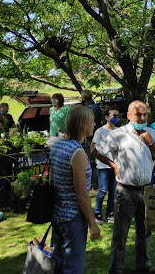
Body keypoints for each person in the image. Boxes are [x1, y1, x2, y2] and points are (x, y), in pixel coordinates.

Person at [91, 100, 155, 274]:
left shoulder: (151, 132)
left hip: (146, 189)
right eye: (138, 114)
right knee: (120, 233)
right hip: (126, 191)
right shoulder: (119, 134)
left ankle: (143, 265)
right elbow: (95, 150)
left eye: (145, 114)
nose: (142, 118)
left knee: (145, 231)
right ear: (129, 115)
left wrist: (150, 142)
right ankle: (116, 268)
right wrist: (113, 165)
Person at [51, 104, 101, 274]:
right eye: (92, 121)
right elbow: (81, 195)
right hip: (73, 217)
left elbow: (52, 181)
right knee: (73, 267)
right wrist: (93, 223)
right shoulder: (77, 153)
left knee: (57, 263)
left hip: (58, 214)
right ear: (81, 124)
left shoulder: (57, 146)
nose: (94, 124)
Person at [91, 108, 119, 224]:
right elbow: (93, 148)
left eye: (117, 115)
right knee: (102, 189)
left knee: (113, 190)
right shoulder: (100, 131)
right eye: (113, 115)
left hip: (115, 165)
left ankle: (110, 213)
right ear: (106, 117)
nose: (116, 117)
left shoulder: (118, 131)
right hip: (102, 166)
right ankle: (97, 213)